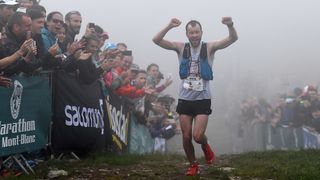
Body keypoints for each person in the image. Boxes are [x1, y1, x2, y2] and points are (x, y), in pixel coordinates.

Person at [152, 17, 238, 176]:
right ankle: (193, 164)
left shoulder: (209, 47)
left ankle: (206, 147)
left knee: (197, 136)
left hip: (203, 98)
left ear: (201, 32)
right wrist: (169, 26)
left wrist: (230, 25)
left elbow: (233, 38)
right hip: (185, 98)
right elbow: (156, 40)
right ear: (187, 34)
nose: (194, 35)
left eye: (197, 32)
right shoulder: (180, 47)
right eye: (191, 32)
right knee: (186, 137)